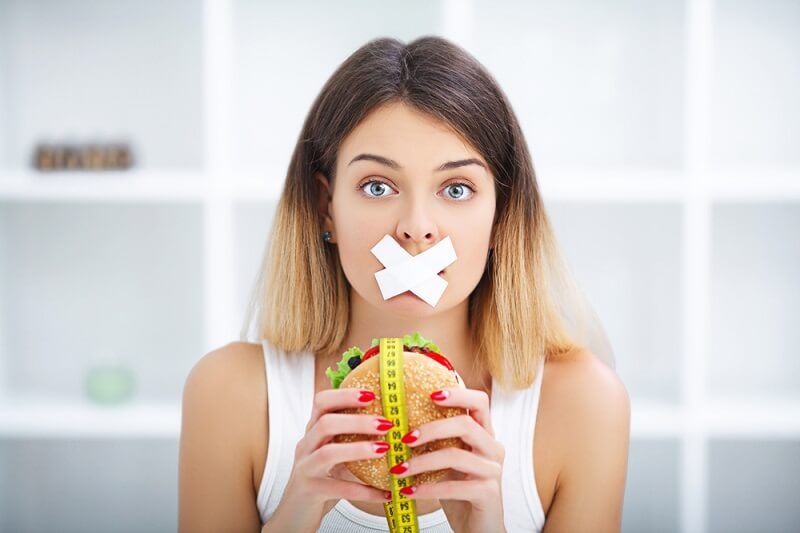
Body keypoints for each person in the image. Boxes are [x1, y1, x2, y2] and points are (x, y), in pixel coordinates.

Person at [178, 36, 630, 533]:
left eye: (456, 189)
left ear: (501, 216)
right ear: (326, 206)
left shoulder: (582, 406)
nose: (416, 227)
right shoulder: (230, 396)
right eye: (378, 186)